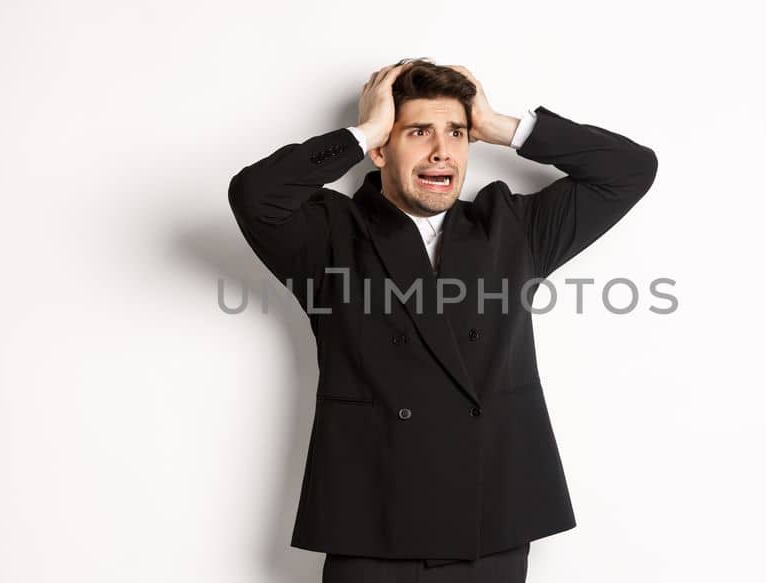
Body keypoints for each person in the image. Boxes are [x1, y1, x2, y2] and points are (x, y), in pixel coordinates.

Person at [227, 57, 659, 582]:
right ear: (383, 148)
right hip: (372, 528)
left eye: (455, 132)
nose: (441, 150)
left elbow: (630, 170)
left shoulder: (511, 228)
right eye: (419, 131)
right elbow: (254, 196)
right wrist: (362, 131)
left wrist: (500, 124)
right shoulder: (329, 237)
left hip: (487, 526)